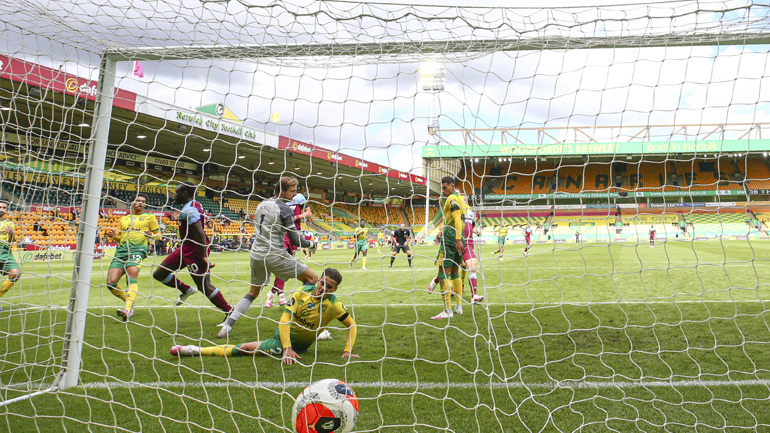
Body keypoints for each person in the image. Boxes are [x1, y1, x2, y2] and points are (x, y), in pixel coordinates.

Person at [171, 268, 357, 363]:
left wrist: (347, 350)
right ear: (319, 281)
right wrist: (287, 348)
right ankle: (193, 350)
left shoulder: (334, 305)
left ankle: (320, 334)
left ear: (335, 289)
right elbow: (284, 320)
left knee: (245, 347)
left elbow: (352, 325)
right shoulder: (302, 292)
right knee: (244, 347)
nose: (323, 289)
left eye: (329, 287)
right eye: (322, 283)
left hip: (297, 346)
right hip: (283, 341)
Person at [219, 178, 317, 338]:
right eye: (292, 191)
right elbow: (295, 240)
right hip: (275, 254)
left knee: (253, 292)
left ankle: (227, 326)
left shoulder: (261, 204)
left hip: (257, 254)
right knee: (312, 278)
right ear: (283, 191)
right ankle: (303, 322)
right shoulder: (284, 209)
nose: (294, 195)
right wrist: (311, 244)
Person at [152, 184, 232, 321]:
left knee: (204, 286)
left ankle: (230, 312)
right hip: (185, 247)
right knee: (159, 273)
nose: (174, 196)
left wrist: (202, 256)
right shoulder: (194, 204)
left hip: (195, 250)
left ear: (184, 192)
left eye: (176, 193)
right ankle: (186, 289)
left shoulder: (190, 210)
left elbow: (200, 234)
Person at [104, 193, 161, 321]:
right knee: (111, 282)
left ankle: (127, 310)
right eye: (138, 200)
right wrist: (114, 236)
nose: (140, 202)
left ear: (145, 204)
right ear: (132, 202)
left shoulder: (149, 217)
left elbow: (159, 235)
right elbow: (122, 237)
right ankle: (129, 302)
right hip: (122, 251)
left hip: (138, 249)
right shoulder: (124, 219)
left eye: (143, 201)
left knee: (132, 277)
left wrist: (150, 234)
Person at [265, 192, 313, 308]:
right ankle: (277, 294)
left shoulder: (299, 197)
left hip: (293, 235)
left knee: (285, 265)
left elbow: (308, 213)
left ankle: (275, 292)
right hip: (281, 234)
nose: (293, 191)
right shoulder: (279, 200)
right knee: (283, 262)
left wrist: (295, 217)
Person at [431, 177, 467, 320]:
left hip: (451, 238)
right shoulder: (460, 198)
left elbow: (457, 219)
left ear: (452, 186)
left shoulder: (451, 199)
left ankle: (447, 310)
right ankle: (458, 307)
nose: (443, 191)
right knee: (455, 272)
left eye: (445, 188)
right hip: (460, 236)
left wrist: (456, 239)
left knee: (443, 273)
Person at [0, 200, 21, 312]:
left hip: (4, 251)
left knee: (15, 273)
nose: (2, 209)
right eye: (0, 207)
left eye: (4, 208)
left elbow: (13, 241)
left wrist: (12, 233)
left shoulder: (9, 224)